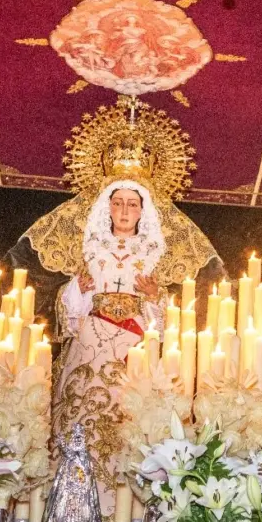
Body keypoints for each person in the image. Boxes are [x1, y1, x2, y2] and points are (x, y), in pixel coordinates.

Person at [54, 177, 168, 490]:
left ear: (142, 211)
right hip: (92, 339)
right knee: (81, 410)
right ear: (108, 208)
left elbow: (163, 318)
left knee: (124, 415)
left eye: (132, 204)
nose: (124, 210)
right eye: (118, 203)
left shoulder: (153, 253)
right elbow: (69, 310)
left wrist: (154, 295)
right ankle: (73, 490)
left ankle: (119, 500)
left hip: (131, 342)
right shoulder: (93, 248)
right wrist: (78, 287)